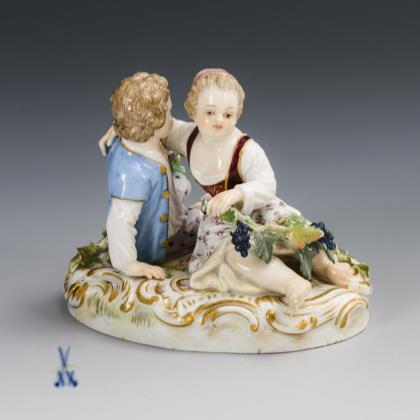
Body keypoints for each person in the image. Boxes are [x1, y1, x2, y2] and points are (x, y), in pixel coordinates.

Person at [99, 69, 354, 309]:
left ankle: (325, 267)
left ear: (237, 115)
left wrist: (238, 193)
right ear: (193, 111)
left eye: (228, 115)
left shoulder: (245, 149)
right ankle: (290, 284)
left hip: (256, 205)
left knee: (291, 229)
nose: (219, 121)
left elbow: (267, 183)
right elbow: (150, 125)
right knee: (233, 255)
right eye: (210, 113)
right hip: (221, 217)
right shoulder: (187, 136)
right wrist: (122, 126)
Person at [105, 72, 187, 279]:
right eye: (168, 113)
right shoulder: (134, 172)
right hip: (155, 248)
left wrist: (115, 127)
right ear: (150, 120)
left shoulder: (145, 139)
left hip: (174, 225)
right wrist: (130, 264)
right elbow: (119, 221)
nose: (172, 119)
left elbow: (130, 116)